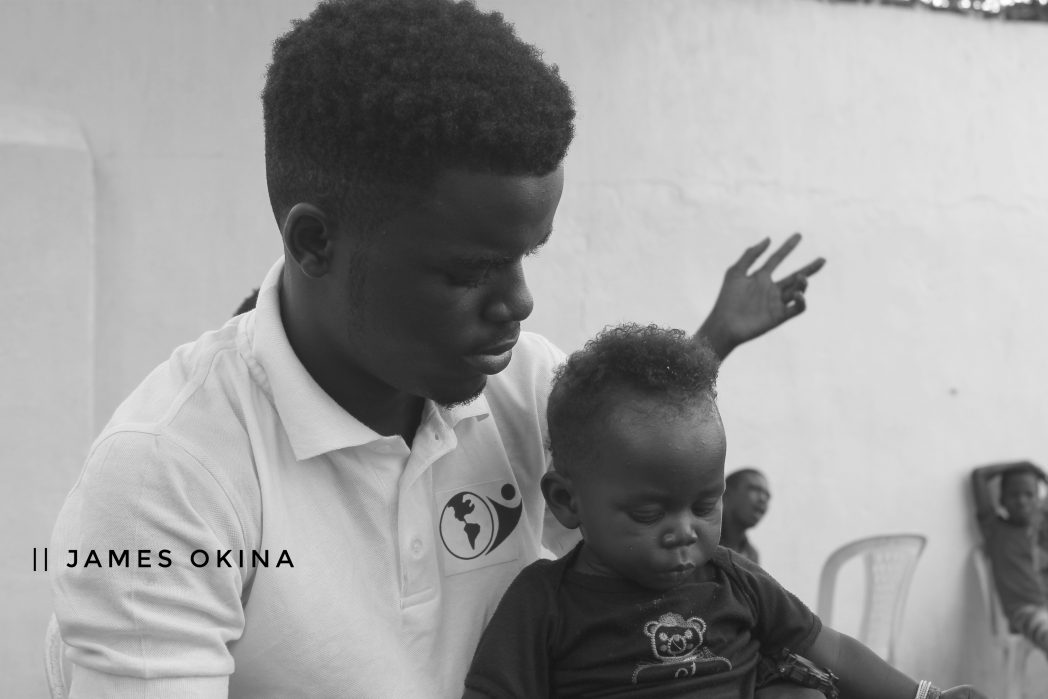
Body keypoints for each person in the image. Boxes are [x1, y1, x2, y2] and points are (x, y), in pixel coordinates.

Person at [49, 1, 825, 696]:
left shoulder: (524, 387)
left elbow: (639, 473)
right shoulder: (168, 478)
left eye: (528, 256)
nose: (519, 301)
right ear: (315, 240)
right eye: (469, 270)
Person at [463, 324, 987, 699]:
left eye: (705, 504)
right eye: (649, 514)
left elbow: (837, 653)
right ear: (566, 502)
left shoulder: (734, 580)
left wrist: (927, 696)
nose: (683, 532)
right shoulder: (544, 603)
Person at [971, 460, 1048, 656]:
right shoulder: (995, 529)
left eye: (1029, 494)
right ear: (1002, 500)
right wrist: (1027, 465)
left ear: (1038, 499)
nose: (1021, 500)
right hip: (1025, 612)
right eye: (1014, 494)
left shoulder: (1041, 528)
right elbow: (979, 475)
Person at [721, 467, 771, 563]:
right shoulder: (697, 537)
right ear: (726, 495)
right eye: (754, 489)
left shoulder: (751, 555)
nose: (763, 499)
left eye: (767, 496)